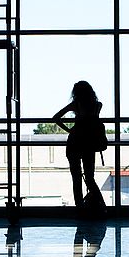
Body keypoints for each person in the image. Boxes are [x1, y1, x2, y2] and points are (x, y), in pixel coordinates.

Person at [52, 80, 107, 213]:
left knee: (76, 178)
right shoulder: (97, 105)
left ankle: (80, 208)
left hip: (74, 142)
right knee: (89, 177)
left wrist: (70, 130)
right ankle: (102, 206)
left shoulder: (76, 105)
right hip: (90, 143)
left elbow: (56, 117)